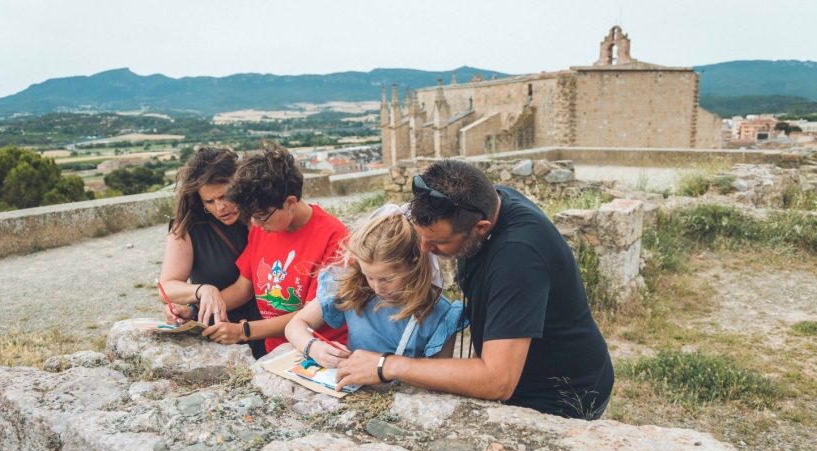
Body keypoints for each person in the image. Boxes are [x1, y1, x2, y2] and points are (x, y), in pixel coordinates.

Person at [336, 159, 614, 420]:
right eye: (423, 236)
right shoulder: (487, 202)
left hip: (561, 396)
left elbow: (497, 381)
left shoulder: (518, 260)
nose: (425, 249)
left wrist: (387, 365)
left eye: (438, 242)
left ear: (480, 228)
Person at [199, 141, 349, 359]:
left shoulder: (333, 236)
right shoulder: (263, 228)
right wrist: (196, 310)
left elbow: (310, 316)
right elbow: (243, 288)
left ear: (290, 203)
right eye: (252, 217)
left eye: (261, 217)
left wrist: (244, 331)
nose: (256, 225)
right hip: (276, 353)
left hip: (322, 352)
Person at [284, 204, 464, 368]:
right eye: (369, 276)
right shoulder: (353, 286)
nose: (377, 289)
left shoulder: (440, 314)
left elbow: (440, 376)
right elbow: (295, 325)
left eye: (387, 279)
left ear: (413, 263)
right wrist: (314, 347)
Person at [159, 147, 262, 349]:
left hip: (268, 322)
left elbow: (245, 290)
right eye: (209, 202)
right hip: (219, 328)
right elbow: (166, 288)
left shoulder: (262, 216)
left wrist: (194, 310)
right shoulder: (188, 227)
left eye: (225, 196)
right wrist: (201, 292)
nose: (220, 208)